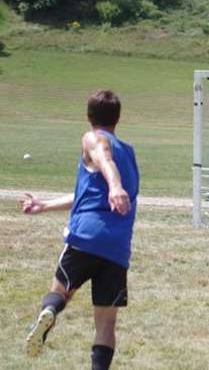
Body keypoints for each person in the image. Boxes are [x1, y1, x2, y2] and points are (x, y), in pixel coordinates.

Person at [21, 90, 139, 370]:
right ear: (118, 118)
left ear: (88, 117)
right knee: (106, 323)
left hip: (85, 238)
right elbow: (87, 194)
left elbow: (103, 157)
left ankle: (50, 310)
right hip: (117, 247)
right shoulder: (131, 153)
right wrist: (45, 205)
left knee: (60, 293)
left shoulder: (92, 138)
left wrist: (114, 185)